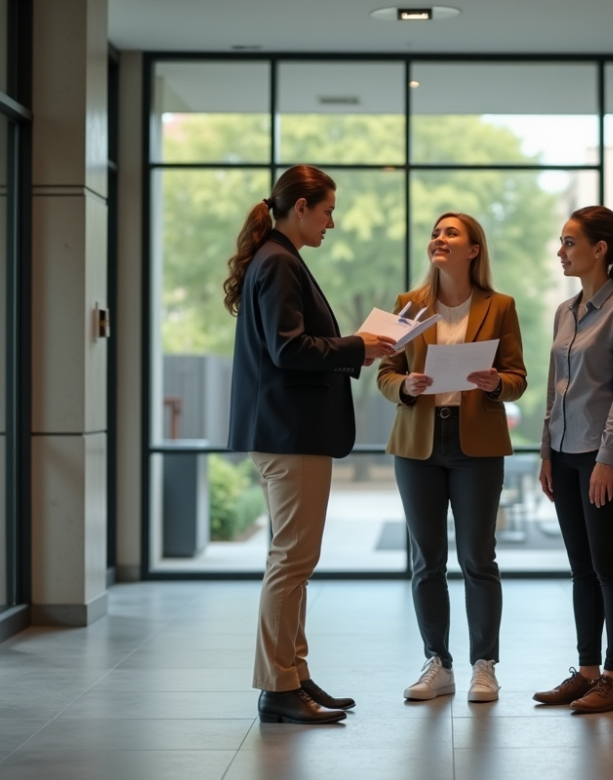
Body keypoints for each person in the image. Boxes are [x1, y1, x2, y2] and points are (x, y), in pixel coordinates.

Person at [225, 165, 396, 724]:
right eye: (326, 211)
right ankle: (279, 686)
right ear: (299, 207)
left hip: (286, 429)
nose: (332, 222)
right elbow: (287, 349)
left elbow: (289, 346)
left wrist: (357, 349)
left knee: (294, 559)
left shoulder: (276, 258)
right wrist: (357, 346)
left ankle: (294, 675)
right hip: (288, 431)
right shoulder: (278, 261)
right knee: (291, 561)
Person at [377, 212, 527, 703]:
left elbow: (517, 375)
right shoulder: (408, 306)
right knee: (427, 561)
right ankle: (437, 662)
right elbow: (385, 372)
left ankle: (484, 665)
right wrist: (405, 385)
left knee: (478, 558)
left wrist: (496, 384)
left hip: (476, 445)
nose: (439, 239)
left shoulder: (499, 305)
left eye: (451, 233)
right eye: (436, 233)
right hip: (418, 442)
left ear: (473, 250)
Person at [533, 206, 613, 713]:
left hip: (604, 458)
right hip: (564, 450)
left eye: (569, 243)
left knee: (607, 565)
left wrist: (606, 459)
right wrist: (545, 452)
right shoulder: (565, 310)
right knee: (581, 568)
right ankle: (586, 671)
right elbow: (555, 389)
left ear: (600, 249)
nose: (561, 251)